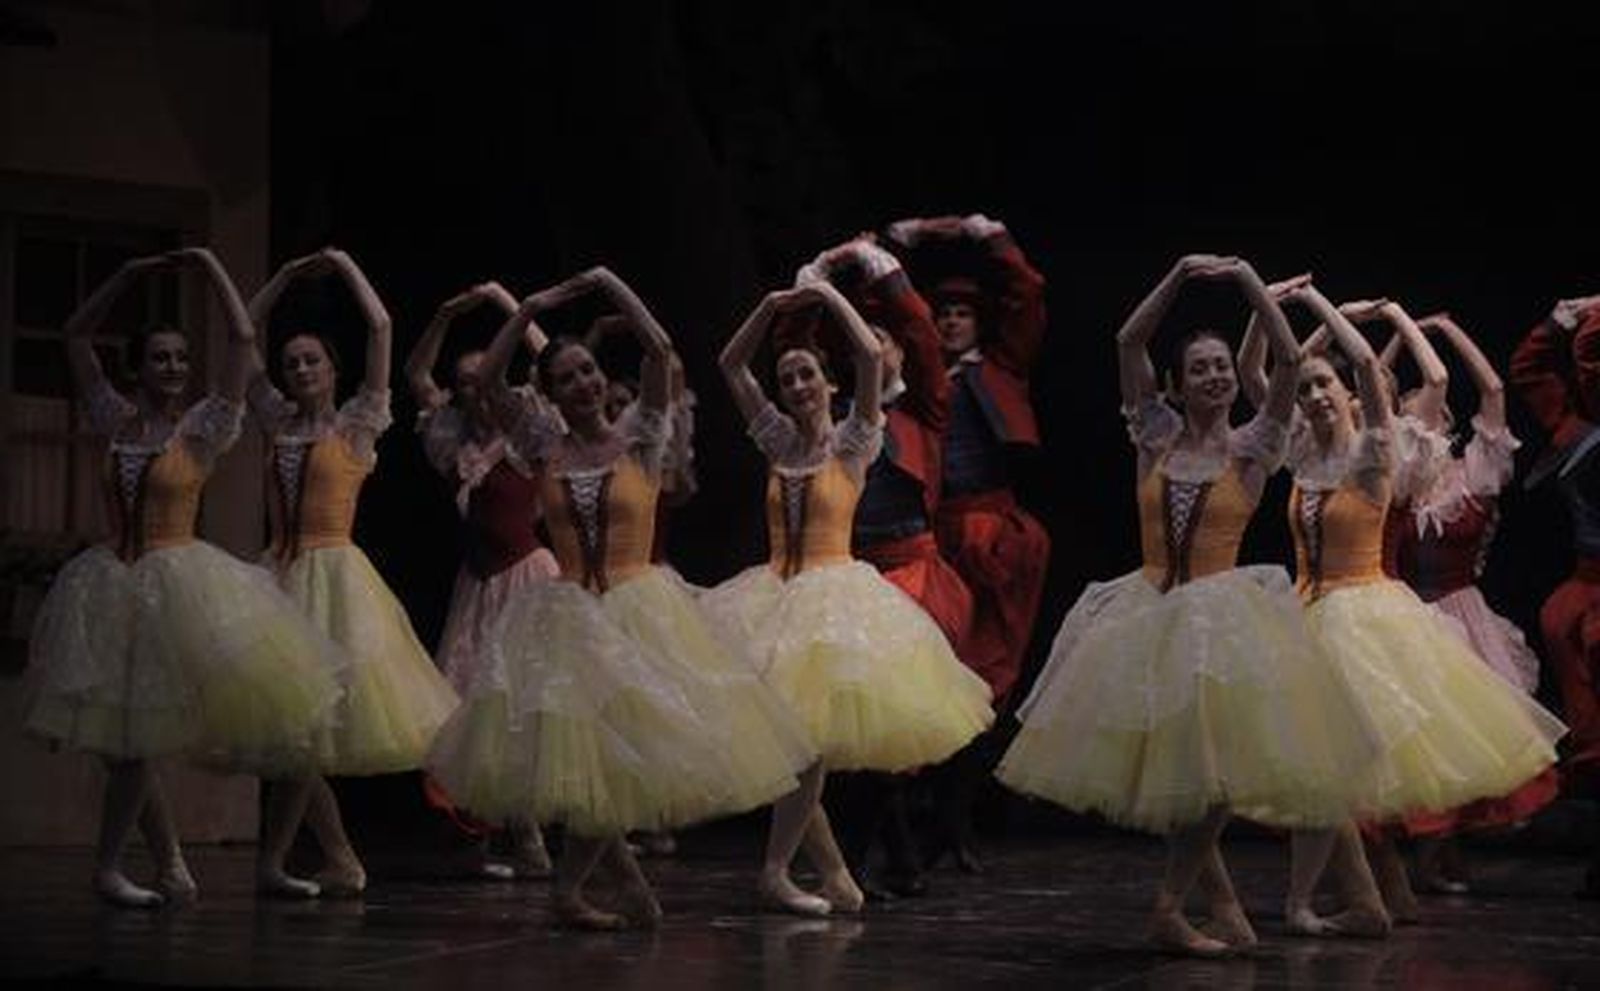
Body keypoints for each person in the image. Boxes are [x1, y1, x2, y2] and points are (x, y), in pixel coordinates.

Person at [999, 256, 1372, 956]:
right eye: (1199, 367)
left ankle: (1171, 905)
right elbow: (1127, 343)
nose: (1214, 375)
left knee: (1215, 780)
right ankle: (1224, 908)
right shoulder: (1155, 436)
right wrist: (1175, 274)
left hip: (1220, 622)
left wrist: (1246, 283)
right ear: (1177, 383)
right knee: (1187, 775)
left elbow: (1288, 360)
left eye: (1222, 366)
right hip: (1145, 610)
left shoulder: (1253, 447)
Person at [426, 267, 814, 928]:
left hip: (641, 609)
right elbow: (490, 379)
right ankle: (603, 885)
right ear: (549, 392)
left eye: (588, 371)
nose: (583, 383)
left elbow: (661, 352)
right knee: (589, 760)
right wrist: (531, 308)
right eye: (567, 377)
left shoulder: (640, 435)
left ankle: (587, 886)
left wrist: (611, 287)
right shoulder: (542, 444)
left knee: (618, 760)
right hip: (569, 613)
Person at [25, 248, 342, 906]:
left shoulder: (203, 428)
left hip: (177, 584)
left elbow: (244, 337)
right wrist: (128, 274)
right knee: (122, 745)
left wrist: (205, 265)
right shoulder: (117, 420)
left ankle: (109, 866)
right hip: (112, 581)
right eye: (161, 357)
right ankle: (168, 860)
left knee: (141, 735)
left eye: (179, 356)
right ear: (139, 366)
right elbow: (76, 336)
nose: (173, 366)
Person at [1276, 288, 1565, 926]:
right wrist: (1347, 330)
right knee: (1351, 770)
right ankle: (1382, 894)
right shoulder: (1318, 454)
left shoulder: (1396, 454)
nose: (1414, 409)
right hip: (1338, 607)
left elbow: (1418, 380)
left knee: (1372, 765)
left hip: (1388, 608)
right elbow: (1334, 376)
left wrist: (1405, 325)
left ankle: (1370, 889)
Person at [705, 280, 994, 915]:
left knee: (803, 750)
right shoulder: (779, 445)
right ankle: (835, 877)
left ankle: (777, 871)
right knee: (793, 751)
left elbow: (868, 355)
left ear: (828, 383)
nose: (799, 386)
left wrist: (825, 297)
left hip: (833, 599)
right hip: (773, 599)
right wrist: (769, 307)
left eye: (808, 374)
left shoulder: (854, 442)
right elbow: (729, 364)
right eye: (788, 379)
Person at [248, 247, 461, 896]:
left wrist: (343, 265)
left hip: (333, 581)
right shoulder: (277, 422)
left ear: (332, 370)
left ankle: (312, 858)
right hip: (278, 578)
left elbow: (381, 328)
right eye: (291, 363)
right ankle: (321, 858)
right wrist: (281, 279)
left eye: (311, 360)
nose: (300, 369)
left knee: (300, 740)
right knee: (293, 741)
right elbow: (240, 334)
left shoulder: (357, 426)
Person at [786, 234, 975, 896]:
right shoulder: (843, 419)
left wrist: (874, 265)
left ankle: (893, 847)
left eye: (883, 336)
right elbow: (797, 352)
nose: (879, 344)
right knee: (845, 734)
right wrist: (813, 282)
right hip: (857, 570)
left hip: (914, 574)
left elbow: (921, 334)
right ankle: (884, 853)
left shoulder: (924, 404)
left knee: (895, 735)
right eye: (865, 337)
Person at [1373, 309, 1557, 893]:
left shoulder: (1475, 471)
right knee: (1419, 740)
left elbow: (1496, 389)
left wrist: (1445, 329)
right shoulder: (1391, 477)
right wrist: (1401, 340)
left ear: (1444, 421)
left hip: (1461, 613)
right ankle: (1430, 854)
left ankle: (1445, 851)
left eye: (1425, 408)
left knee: (1464, 739)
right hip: (1407, 615)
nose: (1415, 415)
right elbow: (1371, 381)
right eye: (1404, 412)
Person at [406, 280, 559, 877]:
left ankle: (531, 834)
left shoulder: (524, 438)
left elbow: (550, 361)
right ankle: (483, 836)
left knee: (525, 708)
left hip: (527, 580)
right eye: (464, 381)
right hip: (477, 586)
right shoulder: (453, 442)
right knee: (472, 711)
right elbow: (417, 374)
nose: (473, 388)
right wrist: (445, 310)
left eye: (482, 376)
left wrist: (508, 306)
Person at [1510, 293, 1600, 896]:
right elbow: (1531, 368)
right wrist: (1565, 319)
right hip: (1585, 594)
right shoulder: (1577, 427)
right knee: (1592, 735)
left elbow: (1588, 354)